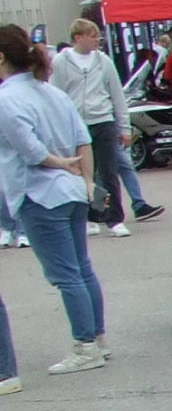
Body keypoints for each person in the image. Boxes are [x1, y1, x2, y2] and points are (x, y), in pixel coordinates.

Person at [0, 27, 109, 374]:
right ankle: (97, 339)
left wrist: (59, 163)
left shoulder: (7, 99)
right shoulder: (52, 93)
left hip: (39, 193)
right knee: (80, 267)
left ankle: (85, 345)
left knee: (65, 275)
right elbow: (82, 138)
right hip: (72, 191)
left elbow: (31, 151)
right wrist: (86, 180)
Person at [53, 19, 143, 234]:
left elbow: (117, 95)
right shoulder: (61, 62)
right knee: (83, 173)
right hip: (76, 124)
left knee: (109, 171)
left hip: (103, 121)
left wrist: (124, 127)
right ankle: (89, 216)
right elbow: (56, 95)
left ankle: (114, 218)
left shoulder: (104, 61)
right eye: (92, 36)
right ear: (78, 38)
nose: (97, 40)